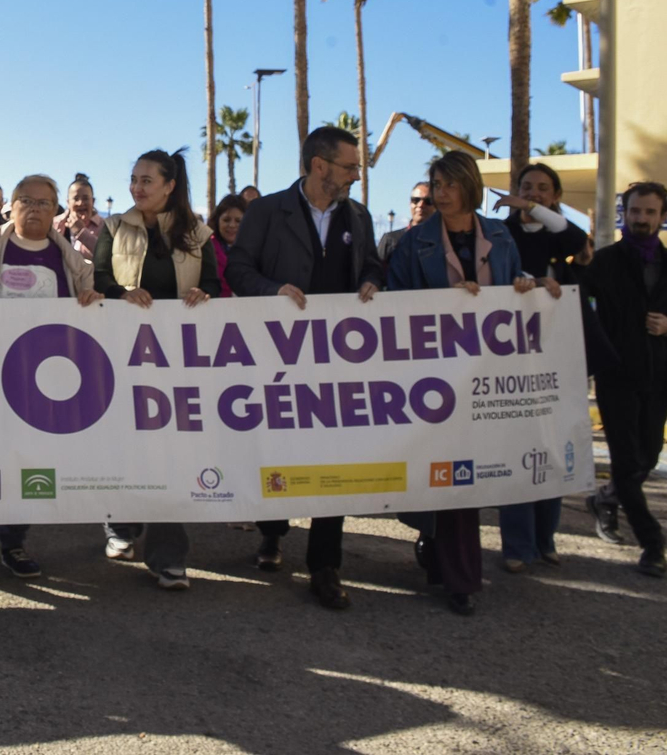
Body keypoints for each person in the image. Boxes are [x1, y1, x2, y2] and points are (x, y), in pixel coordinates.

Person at [385, 150, 557, 614]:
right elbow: (394, 301)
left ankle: (449, 563)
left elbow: (512, 282)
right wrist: (442, 303)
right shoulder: (414, 242)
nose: (439, 193)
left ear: (468, 186)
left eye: (447, 185)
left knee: (467, 476)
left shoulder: (500, 237)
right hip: (433, 379)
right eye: (434, 185)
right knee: (447, 473)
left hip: (487, 377)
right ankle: (457, 573)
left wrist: (523, 285)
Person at [223, 127, 384, 610]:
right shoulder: (268, 212)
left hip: (339, 359)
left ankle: (325, 565)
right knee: (279, 451)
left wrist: (373, 280)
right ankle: (272, 533)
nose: (356, 174)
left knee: (335, 457)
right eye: (349, 166)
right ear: (319, 166)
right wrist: (272, 291)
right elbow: (237, 270)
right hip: (278, 358)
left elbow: (373, 264)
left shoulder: (359, 215)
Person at [0, 174, 103, 580]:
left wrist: (90, 301)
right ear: (9, 207)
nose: (34, 209)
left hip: (44, 381)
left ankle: (14, 541)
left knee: (29, 459)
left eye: (44, 203)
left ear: (56, 212)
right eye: (25, 201)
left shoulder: (68, 257)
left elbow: (91, 307)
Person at [93, 148, 219, 591]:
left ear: (169, 185)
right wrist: (122, 292)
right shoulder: (113, 226)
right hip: (123, 358)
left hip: (180, 363)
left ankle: (168, 557)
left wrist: (205, 294)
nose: (137, 187)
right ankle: (119, 528)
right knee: (125, 446)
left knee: (172, 455)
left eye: (147, 180)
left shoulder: (198, 233)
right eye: (134, 178)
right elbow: (98, 279)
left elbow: (217, 287)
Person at [585, 182, 667, 578]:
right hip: (617, 378)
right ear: (625, 214)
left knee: (647, 458)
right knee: (627, 461)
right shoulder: (605, 262)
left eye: (650, 213)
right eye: (635, 212)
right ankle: (653, 543)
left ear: (663, 217)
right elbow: (582, 310)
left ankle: (606, 499)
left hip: (660, 378)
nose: (642, 219)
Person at [490, 162, 586, 573]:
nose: (533, 195)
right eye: (526, 187)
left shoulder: (561, 236)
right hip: (511, 359)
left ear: (556, 197)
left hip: (556, 358)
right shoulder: (498, 234)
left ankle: (546, 538)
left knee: (554, 445)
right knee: (517, 447)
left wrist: (533, 206)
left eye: (543, 189)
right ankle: (517, 545)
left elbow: (576, 237)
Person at [377, 181, 434, 272]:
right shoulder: (390, 240)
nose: (420, 205)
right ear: (410, 203)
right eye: (416, 200)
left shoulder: (443, 241)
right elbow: (376, 274)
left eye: (428, 201)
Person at [53, 173, 104, 261]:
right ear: (68, 202)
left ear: (93, 201)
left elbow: (106, 255)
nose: (80, 203)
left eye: (85, 198)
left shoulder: (104, 226)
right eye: (76, 199)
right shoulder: (54, 224)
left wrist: (81, 232)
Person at [206, 194, 247, 299]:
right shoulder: (205, 248)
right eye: (226, 220)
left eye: (238, 221)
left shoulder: (256, 251)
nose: (232, 225)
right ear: (217, 220)